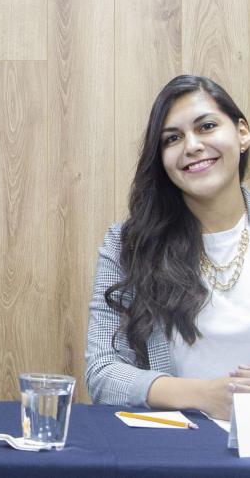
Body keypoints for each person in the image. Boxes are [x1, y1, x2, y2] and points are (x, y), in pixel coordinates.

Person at [86, 75, 250, 419]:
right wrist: (205, 395)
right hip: (177, 449)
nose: (191, 145)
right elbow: (102, 373)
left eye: (206, 126)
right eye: (172, 138)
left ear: (242, 133)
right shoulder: (128, 244)